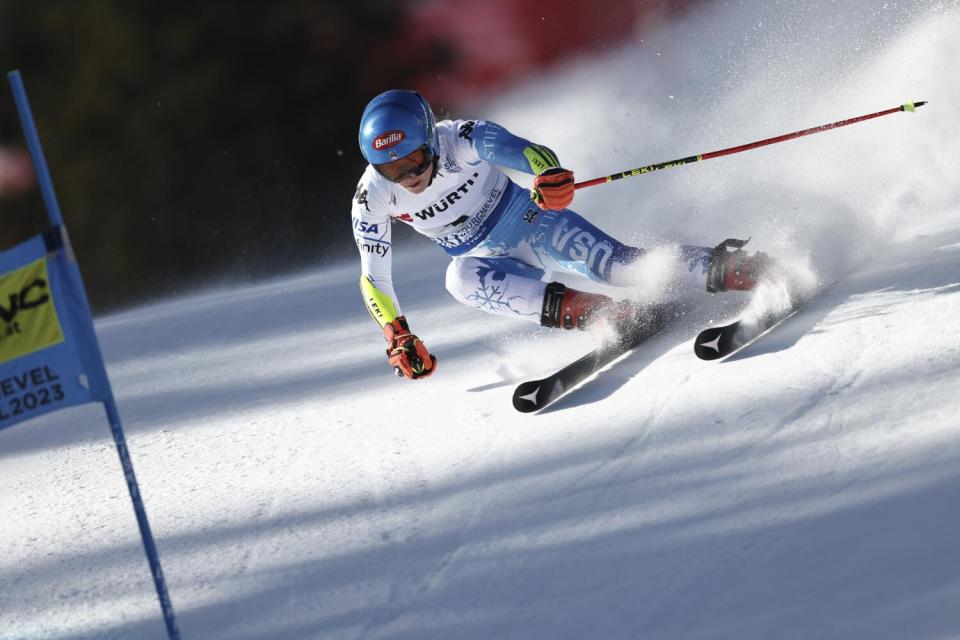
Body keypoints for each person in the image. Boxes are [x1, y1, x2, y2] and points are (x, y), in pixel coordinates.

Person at [352, 90, 771, 380]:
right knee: (457, 280)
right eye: (392, 170)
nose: (408, 176)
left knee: (620, 268)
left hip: (532, 224)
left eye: (414, 160)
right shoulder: (371, 196)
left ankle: (735, 268)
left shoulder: (460, 138)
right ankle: (603, 315)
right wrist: (397, 333)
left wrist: (547, 174)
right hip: (485, 258)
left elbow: (528, 152)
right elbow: (374, 276)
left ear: (430, 138)